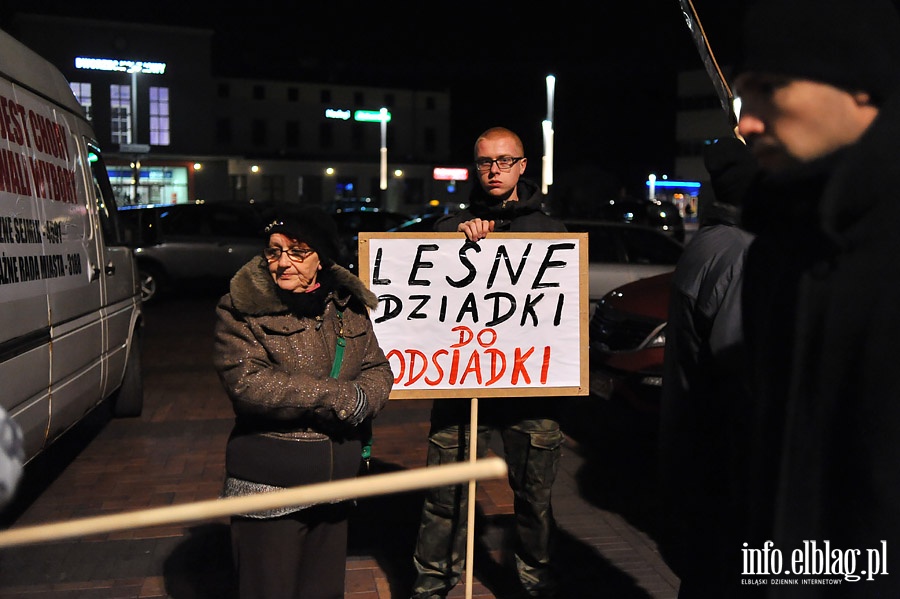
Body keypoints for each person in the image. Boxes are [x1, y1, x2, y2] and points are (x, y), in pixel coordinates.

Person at [732, 0, 900, 595]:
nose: (747, 122)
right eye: (742, 99)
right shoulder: (778, 250)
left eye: (771, 89)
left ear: (861, 86)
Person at [410, 126, 567, 599]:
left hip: (530, 389)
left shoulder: (552, 233)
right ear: (474, 168)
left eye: (504, 161)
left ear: (523, 166)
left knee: (535, 501)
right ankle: (433, 586)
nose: (494, 170)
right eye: (484, 162)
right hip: (463, 389)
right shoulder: (446, 231)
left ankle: (534, 586)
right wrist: (457, 246)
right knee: (445, 498)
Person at [213, 206, 394, 599]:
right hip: (270, 487)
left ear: (322, 257)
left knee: (323, 591)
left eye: (297, 251)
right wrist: (337, 396)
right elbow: (248, 384)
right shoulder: (241, 309)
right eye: (274, 251)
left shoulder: (346, 305)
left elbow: (378, 367)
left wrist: (366, 398)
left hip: (335, 484)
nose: (282, 263)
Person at [656, 137, 757, 598]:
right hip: (726, 459)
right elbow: (740, 370)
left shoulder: (710, 241)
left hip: (696, 449)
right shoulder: (740, 254)